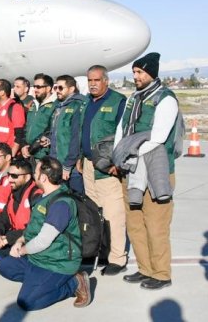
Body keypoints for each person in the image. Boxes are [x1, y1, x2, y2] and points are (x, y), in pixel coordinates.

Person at [115, 52, 179, 290]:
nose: (136, 76)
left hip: (155, 171)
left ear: (151, 72)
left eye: (140, 72)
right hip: (131, 169)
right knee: (135, 223)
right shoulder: (133, 98)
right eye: (134, 72)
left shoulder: (166, 99)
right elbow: (122, 130)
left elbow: (158, 137)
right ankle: (145, 269)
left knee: (156, 224)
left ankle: (162, 274)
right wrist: (119, 155)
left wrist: (129, 152)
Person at [0, 156, 90, 310]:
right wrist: (20, 241)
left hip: (57, 263)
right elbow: (33, 228)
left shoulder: (61, 204)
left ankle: (74, 283)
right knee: (5, 266)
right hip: (39, 258)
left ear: (44, 178)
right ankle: (39, 282)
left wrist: (23, 250)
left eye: (35, 171)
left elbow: (43, 241)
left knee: (27, 302)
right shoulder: (44, 197)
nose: (34, 174)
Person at [79, 65, 127, 275]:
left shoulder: (118, 101)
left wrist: (118, 163)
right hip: (89, 165)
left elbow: (124, 135)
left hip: (108, 167)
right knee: (95, 214)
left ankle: (117, 258)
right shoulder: (87, 102)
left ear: (106, 81)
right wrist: (82, 157)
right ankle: (102, 252)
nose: (92, 84)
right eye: (90, 80)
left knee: (113, 214)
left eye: (97, 80)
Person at [0, 158, 42, 258]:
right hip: (15, 239)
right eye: (9, 175)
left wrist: (8, 239)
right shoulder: (14, 194)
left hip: (30, 242)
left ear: (27, 177)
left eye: (14, 176)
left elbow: (35, 229)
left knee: (6, 266)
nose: (9, 179)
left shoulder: (36, 196)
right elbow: (2, 219)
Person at [49, 75, 87, 193]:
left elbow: (76, 137)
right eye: (55, 88)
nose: (57, 91)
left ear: (71, 89)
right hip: (57, 161)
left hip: (70, 167)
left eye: (61, 88)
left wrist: (68, 165)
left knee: (76, 199)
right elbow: (58, 132)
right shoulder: (59, 106)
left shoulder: (77, 105)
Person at [21, 74, 56, 160]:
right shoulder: (34, 103)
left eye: (38, 87)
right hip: (28, 152)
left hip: (42, 154)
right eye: (34, 86)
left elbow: (51, 130)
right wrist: (23, 145)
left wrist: (33, 148)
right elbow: (26, 126)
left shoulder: (55, 105)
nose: (35, 89)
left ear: (48, 88)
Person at [0, 79, 26, 157]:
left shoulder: (15, 108)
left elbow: (19, 134)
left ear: (2, 92)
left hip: (7, 153)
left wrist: (12, 155)